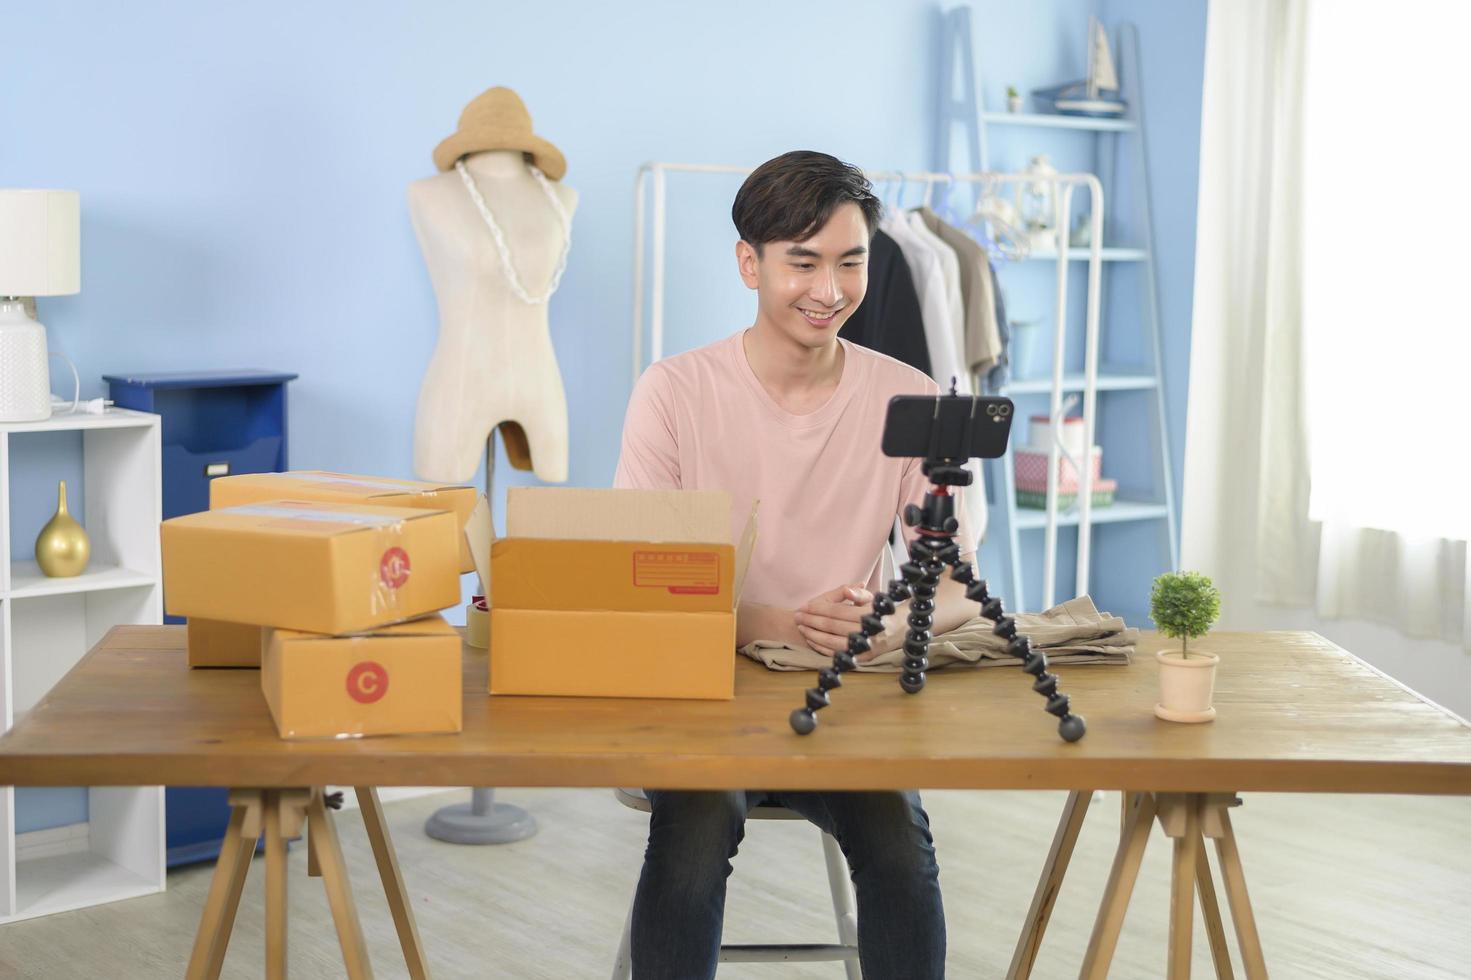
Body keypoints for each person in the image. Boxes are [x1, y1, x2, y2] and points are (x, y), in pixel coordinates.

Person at [614, 150, 980, 979]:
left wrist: (892, 619)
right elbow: (636, 583)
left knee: (897, 850)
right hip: (706, 697)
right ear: (750, 263)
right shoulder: (673, 392)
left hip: (845, 698)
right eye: (802, 263)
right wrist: (771, 624)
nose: (829, 289)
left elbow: (955, 580)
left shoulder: (908, 397)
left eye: (850, 262)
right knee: (692, 840)